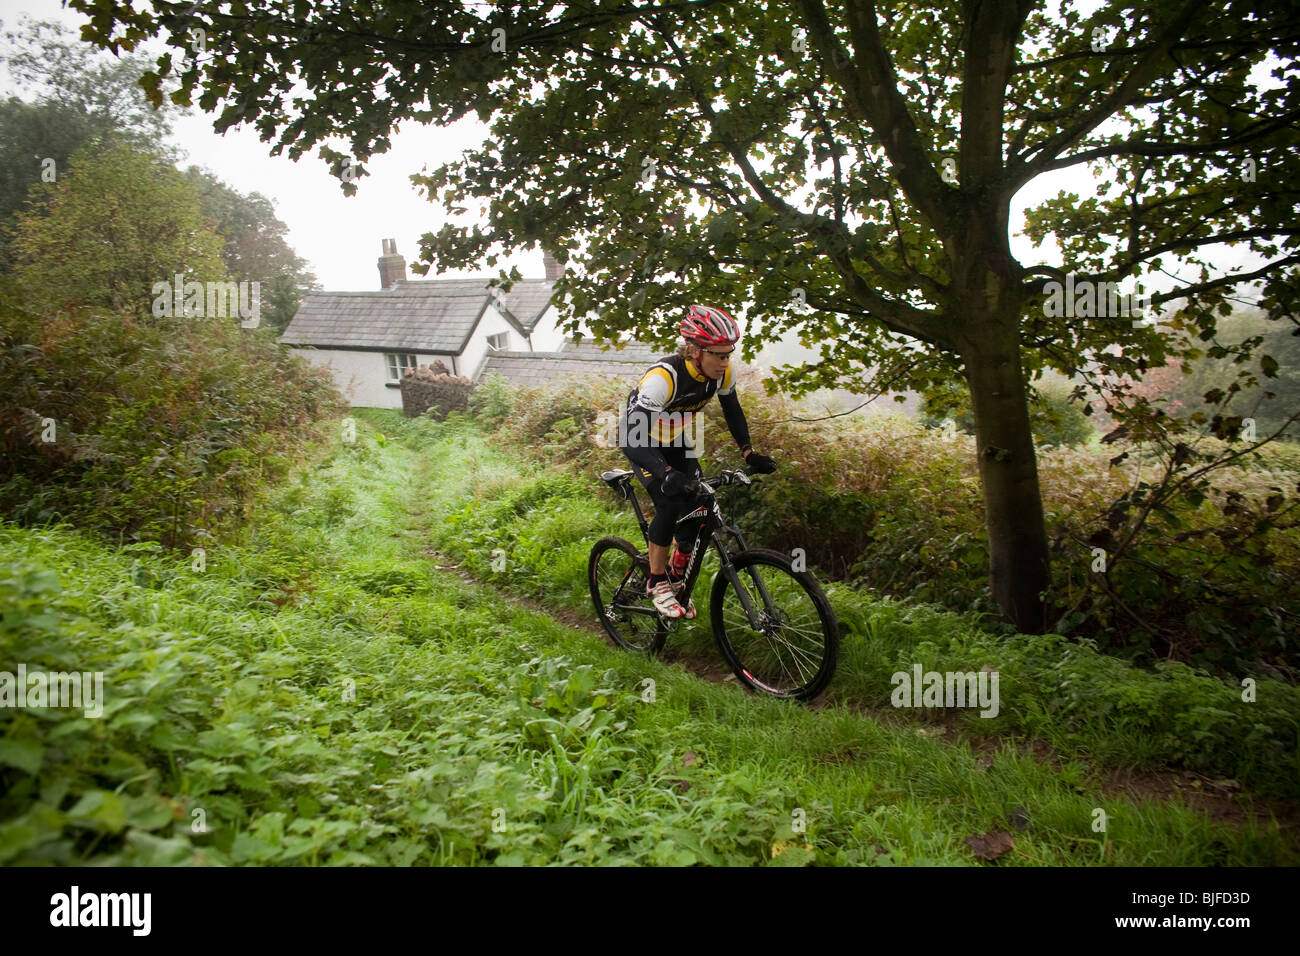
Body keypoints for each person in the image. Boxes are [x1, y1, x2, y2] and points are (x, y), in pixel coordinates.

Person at [618, 304, 777, 619]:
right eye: (717, 354)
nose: (724, 362)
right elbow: (629, 439)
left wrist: (749, 452)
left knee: (698, 504)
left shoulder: (722, 373)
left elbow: (733, 410)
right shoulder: (663, 379)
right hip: (644, 444)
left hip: (676, 441)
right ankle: (656, 581)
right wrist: (664, 473)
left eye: (728, 354)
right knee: (668, 500)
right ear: (693, 351)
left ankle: (677, 571)